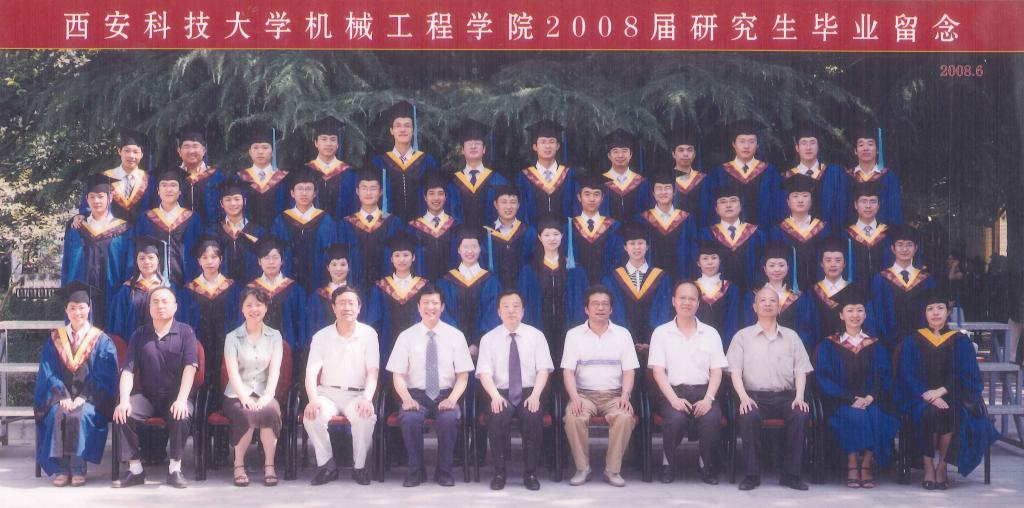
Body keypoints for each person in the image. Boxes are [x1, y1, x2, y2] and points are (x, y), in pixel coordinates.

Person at [896, 289, 999, 490]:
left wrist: (941, 392)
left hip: (953, 395)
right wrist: (929, 395)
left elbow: (967, 374)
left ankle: (942, 466)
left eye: (940, 308)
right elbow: (907, 374)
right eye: (930, 308)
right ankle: (928, 466)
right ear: (924, 313)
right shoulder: (913, 341)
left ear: (948, 312)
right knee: (928, 412)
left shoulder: (960, 340)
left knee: (951, 413)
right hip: (919, 397)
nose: (935, 313)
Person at [386, 286, 474, 487]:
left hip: (446, 394)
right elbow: (397, 374)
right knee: (409, 418)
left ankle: (444, 471)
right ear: (418, 307)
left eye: (435, 303)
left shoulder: (456, 336)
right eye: (425, 303)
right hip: (415, 395)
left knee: (449, 418)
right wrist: (406, 399)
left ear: (442, 307)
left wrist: (452, 399)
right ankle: (416, 471)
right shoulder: (406, 336)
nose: (430, 307)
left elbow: (463, 375)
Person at [111, 286, 199, 489]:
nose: (160, 306)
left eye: (165, 301)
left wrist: (182, 399)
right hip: (148, 396)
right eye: (155, 302)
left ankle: (175, 469)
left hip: (175, 396)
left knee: (182, 414)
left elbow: (190, 368)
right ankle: (135, 470)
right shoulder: (140, 334)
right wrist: (124, 400)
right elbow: (128, 371)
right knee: (123, 412)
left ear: (175, 307)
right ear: (149, 307)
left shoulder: (186, 332)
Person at [727, 286, 814, 491]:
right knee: (748, 415)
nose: (767, 304)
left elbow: (801, 370)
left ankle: (791, 475)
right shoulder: (742, 336)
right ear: (754, 307)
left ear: (779, 307)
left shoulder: (792, 336)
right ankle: (752, 475)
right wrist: (743, 398)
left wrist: (799, 397)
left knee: (800, 414)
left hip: (786, 397)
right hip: (754, 397)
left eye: (772, 301)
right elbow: (734, 372)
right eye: (762, 300)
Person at [34, 282, 119, 486]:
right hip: (61, 397)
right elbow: (48, 371)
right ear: (66, 310)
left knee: (80, 414)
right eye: (72, 308)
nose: (77, 312)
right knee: (57, 414)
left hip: (92, 399)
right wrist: (62, 395)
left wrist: (84, 397)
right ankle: (62, 469)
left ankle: (79, 469)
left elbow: (106, 375)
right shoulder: (56, 338)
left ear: (89, 308)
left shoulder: (101, 340)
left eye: (81, 307)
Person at [813, 286, 899, 489]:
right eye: (850, 310)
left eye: (860, 310)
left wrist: (869, 397)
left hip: (872, 401)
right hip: (840, 402)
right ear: (841, 315)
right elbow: (824, 379)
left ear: (866, 314)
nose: (855, 315)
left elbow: (884, 376)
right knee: (854, 416)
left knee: (879, 418)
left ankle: (866, 463)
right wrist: (850, 398)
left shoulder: (875, 344)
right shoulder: (828, 345)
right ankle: (853, 462)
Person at [648, 281, 727, 484]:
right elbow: (658, 371)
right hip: (673, 392)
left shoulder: (710, 333)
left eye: (692, 299)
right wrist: (673, 399)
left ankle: (705, 464)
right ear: (673, 301)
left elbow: (716, 370)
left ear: (698, 303)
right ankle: (668, 463)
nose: (687, 302)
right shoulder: (661, 333)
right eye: (682, 298)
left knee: (711, 420)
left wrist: (708, 399)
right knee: (675, 420)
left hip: (704, 392)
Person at [561, 285, 641, 488]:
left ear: (611, 309)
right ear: (586, 309)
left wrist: (625, 395)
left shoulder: (623, 334)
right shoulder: (574, 335)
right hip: (583, 395)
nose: (600, 308)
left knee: (624, 417)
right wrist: (574, 398)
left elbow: (629, 371)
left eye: (605, 304)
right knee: (573, 417)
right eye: (595, 304)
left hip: (614, 395)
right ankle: (582, 468)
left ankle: (612, 470)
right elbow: (568, 372)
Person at [476, 290, 554, 491]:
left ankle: (530, 473)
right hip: (500, 392)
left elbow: (543, 369)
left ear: (523, 311)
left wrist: (536, 395)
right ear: (499, 312)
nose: (511, 310)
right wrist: (494, 396)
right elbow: (484, 373)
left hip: (529, 392)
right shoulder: (488, 339)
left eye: (516, 306)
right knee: (496, 416)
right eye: (506, 306)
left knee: (533, 416)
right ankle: (499, 473)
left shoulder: (536, 336)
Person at [303, 286, 380, 486]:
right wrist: (313, 400)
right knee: (312, 416)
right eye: (342, 303)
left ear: (359, 307)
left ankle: (360, 467)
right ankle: (327, 466)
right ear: (333, 307)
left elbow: (373, 371)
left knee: (365, 416)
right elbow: (311, 371)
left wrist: (367, 399)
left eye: (351, 303)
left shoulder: (369, 334)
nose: (347, 307)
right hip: (328, 393)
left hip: (357, 394)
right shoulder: (321, 336)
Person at [222, 288, 284, 487]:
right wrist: (244, 397)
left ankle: (269, 465)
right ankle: (239, 465)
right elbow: (232, 372)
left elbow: (275, 369)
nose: (253, 309)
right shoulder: (232, 337)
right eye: (248, 305)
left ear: (265, 308)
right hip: (237, 393)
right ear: (242, 309)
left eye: (258, 305)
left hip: (264, 392)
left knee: (271, 411)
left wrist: (268, 395)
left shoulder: (275, 336)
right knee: (246, 413)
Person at [61, 173, 134, 331]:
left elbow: (129, 266)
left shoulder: (123, 229)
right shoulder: (77, 229)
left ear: (110, 197)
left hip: (112, 293)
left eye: (101, 196)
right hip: (82, 296)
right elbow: (67, 265)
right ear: (86, 200)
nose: (96, 201)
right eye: (92, 197)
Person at [517, 214, 588, 365]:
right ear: (539, 237)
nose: (552, 238)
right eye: (547, 234)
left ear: (562, 236)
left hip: (568, 327)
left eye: (556, 234)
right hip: (539, 327)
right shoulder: (529, 271)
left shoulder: (574, 269)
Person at [603, 222, 672, 364]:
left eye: (641, 243)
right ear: (625, 247)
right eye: (632, 243)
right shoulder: (613, 278)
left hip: (654, 344)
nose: (636, 247)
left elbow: (663, 311)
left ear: (647, 246)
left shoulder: (661, 277)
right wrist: (630, 340)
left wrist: (651, 340)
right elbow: (616, 312)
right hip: (623, 344)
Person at [179, 235, 241, 387]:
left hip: (226, 344)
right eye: (204, 257)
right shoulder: (189, 290)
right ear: (199, 261)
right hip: (199, 344)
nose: (209, 262)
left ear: (221, 259)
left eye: (214, 257)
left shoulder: (233, 288)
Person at [371, 100, 440, 222]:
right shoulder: (379, 163)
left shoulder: (427, 162)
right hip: (388, 227)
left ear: (413, 130)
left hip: (421, 227)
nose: (402, 130)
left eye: (407, 126)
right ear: (391, 130)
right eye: (398, 126)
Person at [338, 169, 405, 291]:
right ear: (357, 191)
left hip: (387, 289)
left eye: (373, 188)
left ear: (381, 192)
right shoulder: (346, 224)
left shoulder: (393, 222)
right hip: (354, 288)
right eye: (364, 188)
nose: (368, 193)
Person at [271, 167, 337, 291]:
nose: (304, 193)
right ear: (292, 193)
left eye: (308, 188)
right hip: (287, 281)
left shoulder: (325, 220)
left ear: (315, 193)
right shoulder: (281, 220)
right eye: (300, 188)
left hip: (319, 281)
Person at [134, 168, 203, 288]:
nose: (168, 189)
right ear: (158, 191)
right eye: (164, 185)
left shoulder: (193, 218)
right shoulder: (146, 218)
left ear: (180, 191)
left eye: (173, 185)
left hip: (186, 283)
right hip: (153, 285)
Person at [740, 245, 817, 350]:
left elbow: (805, 330)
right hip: (759, 350)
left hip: (790, 350)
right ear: (765, 269)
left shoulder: (798, 298)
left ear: (788, 268)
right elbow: (748, 327)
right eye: (772, 265)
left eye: (781, 265)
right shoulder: (753, 297)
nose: (777, 269)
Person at [438, 226, 501, 355]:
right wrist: (459, 344)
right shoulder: (446, 281)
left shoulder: (490, 281)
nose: (470, 251)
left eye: (474, 246)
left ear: (480, 249)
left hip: (483, 348)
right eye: (465, 247)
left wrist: (477, 343)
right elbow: (445, 313)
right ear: (458, 250)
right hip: (453, 347)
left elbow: (492, 314)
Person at [366, 232, 429, 358]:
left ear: (413, 257)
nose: (401, 259)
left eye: (406, 255)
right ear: (391, 259)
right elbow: (375, 320)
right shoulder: (380, 287)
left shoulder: (423, 286)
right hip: (387, 346)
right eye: (397, 255)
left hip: (417, 345)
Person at [870, 224, 935, 347]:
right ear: (893, 248)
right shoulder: (881, 279)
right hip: (889, 344)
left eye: (909, 244)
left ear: (916, 248)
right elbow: (878, 314)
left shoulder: (926, 279)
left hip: (921, 344)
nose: (905, 249)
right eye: (900, 244)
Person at [73, 128, 154, 226]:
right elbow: (88, 206)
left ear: (141, 155)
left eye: (135, 152)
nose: (131, 156)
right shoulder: (103, 178)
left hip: (142, 233)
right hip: (110, 233)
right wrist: (82, 215)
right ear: (119, 151)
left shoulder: (150, 181)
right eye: (127, 151)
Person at [708, 120, 782, 227]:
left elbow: (778, 208)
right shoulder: (720, 172)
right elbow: (713, 208)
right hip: (729, 233)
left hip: (764, 233)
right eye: (742, 141)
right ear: (734, 144)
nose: (746, 146)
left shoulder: (770, 172)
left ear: (758, 144)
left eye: (751, 141)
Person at [697, 181, 765, 292]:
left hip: (751, 292)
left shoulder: (756, 233)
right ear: (716, 209)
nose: (728, 205)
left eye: (733, 200)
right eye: (723, 202)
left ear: (741, 206)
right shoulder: (707, 234)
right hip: (718, 293)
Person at [769, 174, 831, 292]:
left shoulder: (823, 229)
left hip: (820, 290)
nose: (800, 200)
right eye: (795, 196)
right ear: (788, 202)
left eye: (805, 195)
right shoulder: (778, 231)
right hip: (789, 291)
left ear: (811, 201)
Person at [246, 236, 307, 356]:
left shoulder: (295, 290)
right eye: (266, 257)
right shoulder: (250, 290)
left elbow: (301, 326)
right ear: (259, 261)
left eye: (275, 257)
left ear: (282, 260)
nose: (271, 262)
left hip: (288, 352)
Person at [107, 236, 175, 341]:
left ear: (158, 260)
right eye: (142, 258)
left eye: (151, 257)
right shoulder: (127, 289)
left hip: (161, 346)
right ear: (136, 261)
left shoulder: (166, 288)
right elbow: (118, 324)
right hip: (131, 345)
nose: (146, 262)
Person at [446, 118, 509, 229]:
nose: (473, 146)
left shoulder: (499, 181)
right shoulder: (453, 184)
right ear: (462, 150)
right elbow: (451, 217)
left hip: (492, 237)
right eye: (469, 143)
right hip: (463, 239)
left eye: (477, 143)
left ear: (484, 149)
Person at [782, 125, 846, 229]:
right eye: (804, 143)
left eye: (812, 143)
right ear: (797, 148)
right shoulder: (786, 178)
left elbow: (842, 210)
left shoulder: (835, 175)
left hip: (830, 236)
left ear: (818, 146)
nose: (808, 148)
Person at [516, 120, 576, 224]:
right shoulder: (524, 176)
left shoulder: (569, 175)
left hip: (563, 231)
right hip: (533, 231)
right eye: (543, 142)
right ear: (535, 147)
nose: (547, 146)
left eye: (551, 142)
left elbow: (574, 208)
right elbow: (521, 211)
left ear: (557, 146)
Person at [640, 171, 696, 283]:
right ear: (653, 193)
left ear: (674, 192)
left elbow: (693, 251)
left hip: (681, 277)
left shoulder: (687, 219)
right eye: (659, 188)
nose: (663, 192)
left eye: (667, 188)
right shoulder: (643, 219)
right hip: (651, 280)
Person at [842, 126, 903, 226]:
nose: (866, 148)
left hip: (884, 233)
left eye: (870, 144)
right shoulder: (846, 178)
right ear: (855, 151)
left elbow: (895, 212)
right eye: (861, 145)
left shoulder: (889, 177)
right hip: (852, 233)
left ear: (877, 150)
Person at [235, 123, 291, 229]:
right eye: (255, 147)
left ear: (272, 151)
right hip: (247, 234)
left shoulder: (284, 179)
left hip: (278, 235)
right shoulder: (240, 179)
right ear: (250, 152)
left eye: (265, 147)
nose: (260, 152)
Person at [569, 174, 622, 284]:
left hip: (605, 286)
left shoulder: (613, 226)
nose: (592, 199)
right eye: (587, 194)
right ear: (579, 197)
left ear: (602, 198)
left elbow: (618, 259)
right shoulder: (569, 226)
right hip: (577, 284)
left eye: (596, 194)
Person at [208, 179, 263, 284]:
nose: (233, 203)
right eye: (228, 200)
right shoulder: (213, 232)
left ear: (244, 201)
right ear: (221, 204)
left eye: (237, 199)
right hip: (223, 288)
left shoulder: (258, 231)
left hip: (251, 288)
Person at [303, 116, 358, 219]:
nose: (329, 144)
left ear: (338, 145)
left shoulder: (349, 173)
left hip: (342, 227)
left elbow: (354, 206)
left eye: (333, 139)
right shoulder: (306, 171)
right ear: (316, 143)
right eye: (324, 139)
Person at [410, 173, 459, 282]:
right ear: (425, 197)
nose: (436, 198)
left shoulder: (456, 226)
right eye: (431, 193)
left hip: (450, 287)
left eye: (440, 193)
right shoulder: (413, 228)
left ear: (446, 197)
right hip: (423, 287)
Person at [174, 124, 225, 228]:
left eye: (195, 146)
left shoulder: (217, 177)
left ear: (204, 151)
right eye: (186, 146)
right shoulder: (173, 177)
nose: (191, 151)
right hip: (178, 235)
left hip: (210, 235)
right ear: (179, 152)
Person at [842, 181, 892, 288]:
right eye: (863, 201)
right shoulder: (846, 235)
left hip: (883, 290)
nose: (868, 206)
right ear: (856, 205)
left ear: (878, 206)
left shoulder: (888, 234)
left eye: (873, 201)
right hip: (855, 292)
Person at [485, 186, 535, 289]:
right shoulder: (486, 233)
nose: (508, 207)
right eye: (504, 202)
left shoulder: (528, 232)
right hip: (495, 290)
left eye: (513, 202)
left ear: (518, 205)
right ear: (495, 204)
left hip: (523, 289)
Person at [693, 240, 741, 348]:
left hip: (724, 345)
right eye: (705, 258)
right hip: (696, 344)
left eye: (714, 258)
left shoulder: (731, 289)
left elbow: (732, 322)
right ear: (698, 263)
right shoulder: (692, 288)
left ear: (720, 261)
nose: (710, 262)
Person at [597, 129, 650, 220]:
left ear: (631, 155)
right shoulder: (601, 182)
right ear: (609, 155)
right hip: (610, 229)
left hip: (636, 229)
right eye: (615, 151)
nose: (620, 155)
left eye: (624, 151)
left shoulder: (641, 182)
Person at [305, 243, 354, 337]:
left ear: (349, 268)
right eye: (334, 264)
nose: (338, 269)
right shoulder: (317, 297)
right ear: (328, 268)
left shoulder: (356, 295)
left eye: (343, 264)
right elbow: (312, 329)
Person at [666, 127, 711, 227]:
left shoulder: (704, 180)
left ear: (694, 154)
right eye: (681, 150)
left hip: (699, 231)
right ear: (673, 154)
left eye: (689, 150)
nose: (685, 154)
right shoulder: (664, 180)